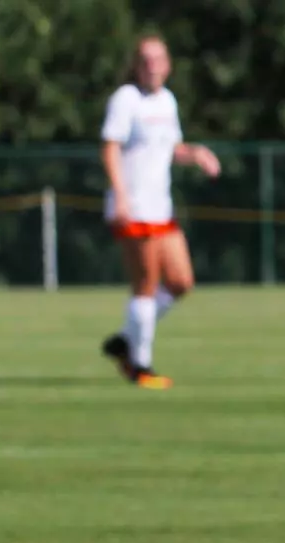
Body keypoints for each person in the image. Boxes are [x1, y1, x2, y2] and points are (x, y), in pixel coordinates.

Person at [99, 35, 220, 390]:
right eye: (145, 60)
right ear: (136, 66)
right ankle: (140, 365)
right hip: (134, 206)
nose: (152, 66)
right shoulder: (126, 99)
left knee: (181, 282)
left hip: (160, 206)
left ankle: (124, 339)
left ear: (167, 65)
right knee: (146, 286)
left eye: (158, 59)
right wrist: (120, 197)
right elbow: (110, 149)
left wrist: (195, 154)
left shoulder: (167, 101)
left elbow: (171, 149)